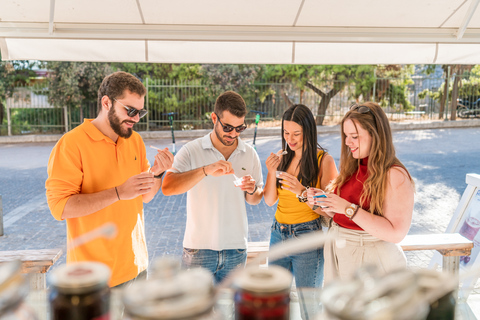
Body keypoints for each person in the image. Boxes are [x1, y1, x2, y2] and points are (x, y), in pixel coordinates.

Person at [46, 71, 174, 287]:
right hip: (93, 278)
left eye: (140, 112)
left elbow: (146, 196)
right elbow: (60, 206)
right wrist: (118, 193)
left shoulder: (135, 141)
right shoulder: (71, 144)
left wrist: (158, 172)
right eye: (130, 110)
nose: (135, 118)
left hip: (137, 267)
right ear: (106, 102)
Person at [162, 91, 264, 284]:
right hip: (198, 249)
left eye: (239, 128)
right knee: (195, 311)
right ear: (214, 118)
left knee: (231, 312)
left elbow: (256, 198)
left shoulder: (249, 154)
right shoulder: (192, 150)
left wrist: (252, 190)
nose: (233, 134)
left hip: (236, 249)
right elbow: (168, 187)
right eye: (227, 127)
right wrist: (206, 170)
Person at [313, 102, 415, 283]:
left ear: (375, 135)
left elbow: (396, 233)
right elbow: (344, 213)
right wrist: (326, 203)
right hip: (340, 254)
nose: (347, 142)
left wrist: (348, 209)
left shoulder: (394, 174)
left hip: (371, 262)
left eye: (354, 136)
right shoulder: (355, 164)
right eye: (345, 135)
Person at [263, 104, 338, 290]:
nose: (290, 139)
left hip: (307, 237)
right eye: (286, 132)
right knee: (273, 301)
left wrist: (302, 192)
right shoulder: (283, 158)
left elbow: (330, 211)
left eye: (296, 133)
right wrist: (271, 172)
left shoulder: (324, 160)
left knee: (309, 307)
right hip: (277, 234)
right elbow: (270, 200)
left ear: (309, 131)